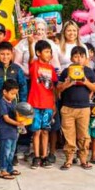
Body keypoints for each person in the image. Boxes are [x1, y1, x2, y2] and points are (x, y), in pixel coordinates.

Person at [58, 46, 95, 170]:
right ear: (71, 58)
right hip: (68, 108)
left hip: (83, 108)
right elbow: (58, 89)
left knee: (83, 135)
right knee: (68, 135)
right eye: (76, 56)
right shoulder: (66, 71)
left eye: (81, 56)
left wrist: (85, 82)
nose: (78, 59)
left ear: (85, 58)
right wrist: (67, 83)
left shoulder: (88, 71)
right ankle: (69, 160)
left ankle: (83, 159)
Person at [28, 40, 58, 169]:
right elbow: (30, 57)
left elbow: (54, 87)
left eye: (50, 52)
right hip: (35, 103)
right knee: (36, 131)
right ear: (38, 53)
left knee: (46, 131)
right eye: (46, 51)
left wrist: (54, 103)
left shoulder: (51, 68)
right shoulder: (34, 65)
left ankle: (45, 156)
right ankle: (36, 156)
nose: (49, 54)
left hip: (48, 104)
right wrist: (30, 43)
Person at [0, 79, 22, 180]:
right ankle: (3, 170)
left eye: (15, 94)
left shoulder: (13, 102)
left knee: (12, 152)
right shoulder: (2, 102)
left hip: (13, 131)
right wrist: (18, 123)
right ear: (4, 92)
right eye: (12, 93)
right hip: (5, 131)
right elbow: (6, 118)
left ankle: (10, 168)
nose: (14, 96)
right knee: (5, 151)